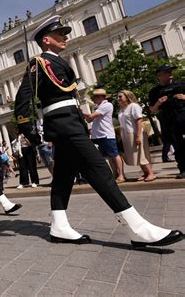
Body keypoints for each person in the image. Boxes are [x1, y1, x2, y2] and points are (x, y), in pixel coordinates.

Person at [14, 15, 182, 247]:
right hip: (63, 124)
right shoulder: (39, 62)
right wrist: (29, 128)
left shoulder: (58, 61)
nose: (65, 36)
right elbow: (23, 98)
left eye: (65, 33)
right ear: (46, 40)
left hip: (71, 121)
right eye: (59, 33)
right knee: (98, 169)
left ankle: (59, 226)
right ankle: (137, 227)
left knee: (63, 177)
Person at [149, 65, 185, 179]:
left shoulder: (181, 84)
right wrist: (158, 103)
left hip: (183, 113)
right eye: (166, 72)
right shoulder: (155, 91)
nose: (169, 73)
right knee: (177, 144)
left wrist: (184, 97)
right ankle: (183, 169)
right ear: (159, 76)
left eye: (170, 71)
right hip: (168, 118)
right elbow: (152, 110)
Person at [83, 88, 126, 183]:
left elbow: (90, 117)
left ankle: (121, 175)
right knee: (109, 156)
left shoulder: (107, 105)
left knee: (114, 155)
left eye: (94, 97)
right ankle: (115, 174)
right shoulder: (97, 108)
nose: (93, 99)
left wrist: (80, 112)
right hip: (100, 135)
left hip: (106, 134)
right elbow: (90, 120)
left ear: (101, 97)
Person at [118, 90, 156, 182]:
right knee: (136, 156)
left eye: (120, 96)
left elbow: (139, 120)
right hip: (126, 134)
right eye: (118, 97)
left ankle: (151, 173)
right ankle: (146, 173)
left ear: (127, 97)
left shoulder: (134, 106)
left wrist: (138, 136)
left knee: (141, 154)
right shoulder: (122, 109)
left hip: (135, 133)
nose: (118, 98)